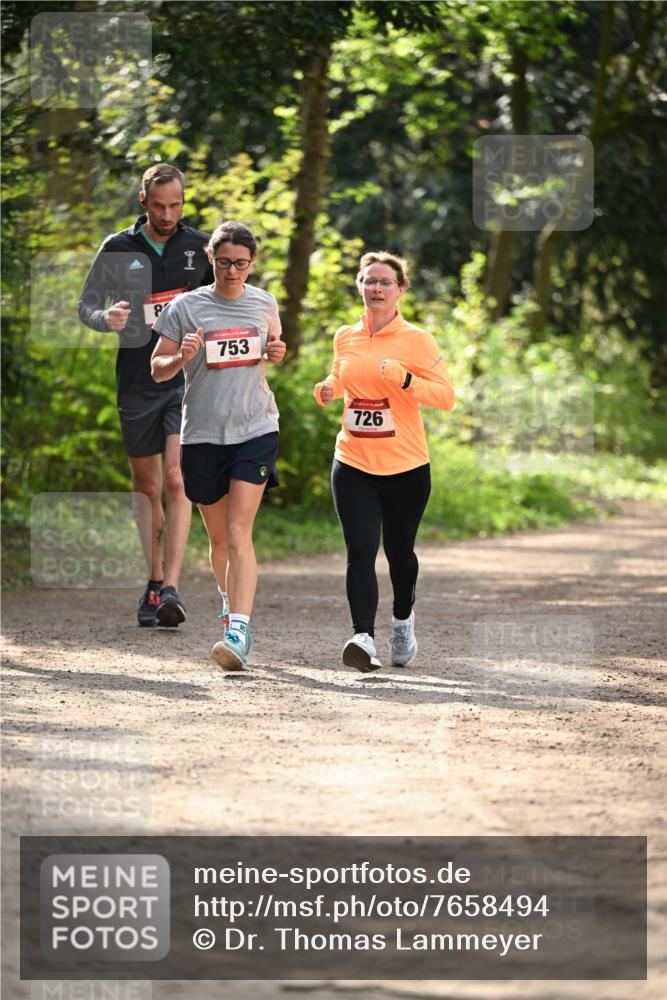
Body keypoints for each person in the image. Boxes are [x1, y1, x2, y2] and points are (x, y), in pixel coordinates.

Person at [78, 163, 213, 628]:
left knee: (177, 479)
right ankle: (153, 582)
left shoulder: (200, 248)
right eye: (158, 206)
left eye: (175, 205)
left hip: (186, 380)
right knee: (147, 487)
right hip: (136, 381)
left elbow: (225, 298)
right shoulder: (117, 248)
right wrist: (105, 319)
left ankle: (172, 588)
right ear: (143, 202)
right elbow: (86, 305)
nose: (167, 213)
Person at [150, 220, 286, 670]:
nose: (233, 271)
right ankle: (229, 603)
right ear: (211, 258)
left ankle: (238, 632)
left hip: (256, 428)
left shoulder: (264, 302)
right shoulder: (186, 308)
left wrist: (275, 353)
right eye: (225, 262)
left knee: (237, 531)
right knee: (218, 539)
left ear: (252, 263)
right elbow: (158, 369)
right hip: (203, 435)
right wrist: (182, 356)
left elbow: (270, 347)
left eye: (242, 264)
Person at [314, 251, 455, 672]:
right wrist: (328, 388)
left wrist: (405, 378)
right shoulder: (346, 335)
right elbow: (342, 378)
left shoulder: (417, 340)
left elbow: (446, 397)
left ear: (400, 290)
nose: (376, 288)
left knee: (399, 553)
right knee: (360, 548)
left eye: (385, 282)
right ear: (359, 285)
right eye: (369, 280)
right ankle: (363, 637)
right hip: (353, 460)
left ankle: (402, 619)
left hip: (406, 467)